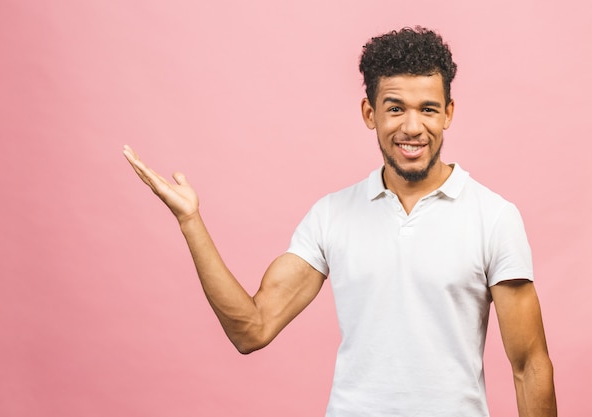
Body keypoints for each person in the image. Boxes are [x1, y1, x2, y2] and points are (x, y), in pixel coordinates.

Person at [123, 26, 557, 416]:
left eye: (428, 109)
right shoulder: (332, 215)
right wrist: (190, 221)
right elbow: (251, 329)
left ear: (448, 113)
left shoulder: (494, 217)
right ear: (370, 114)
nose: (412, 127)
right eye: (395, 108)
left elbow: (529, 364)